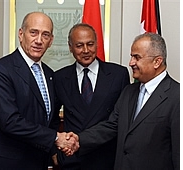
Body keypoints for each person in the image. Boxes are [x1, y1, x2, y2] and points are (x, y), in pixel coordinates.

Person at [65, 32, 180, 170]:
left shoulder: (179, 96)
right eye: (131, 57)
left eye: (137, 57)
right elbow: (111, 126)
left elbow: (181, 154)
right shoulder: (129, 92)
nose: (131, 63)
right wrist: (78, 139)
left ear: (157, 61)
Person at [0, 12, 77, 170]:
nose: (39, 40)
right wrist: (56, 138)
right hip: (7, 163)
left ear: (51, 41)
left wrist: (57, 146)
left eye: (45, 35)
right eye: (33, 32)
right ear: (21, 34)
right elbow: (10, 122)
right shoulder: (0, 70)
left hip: (38, 161)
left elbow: (51, 118)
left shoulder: (49, 75)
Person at [52, 23, 130, 170]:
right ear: (70, 47)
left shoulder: (118, 75)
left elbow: (122, 119)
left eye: (90, 44)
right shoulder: (60, 77)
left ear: (97, 44)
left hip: (106, 158)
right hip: (71, 158)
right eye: (79, 45)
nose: (86, 50)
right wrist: (54, 150)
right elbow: (52, 118)